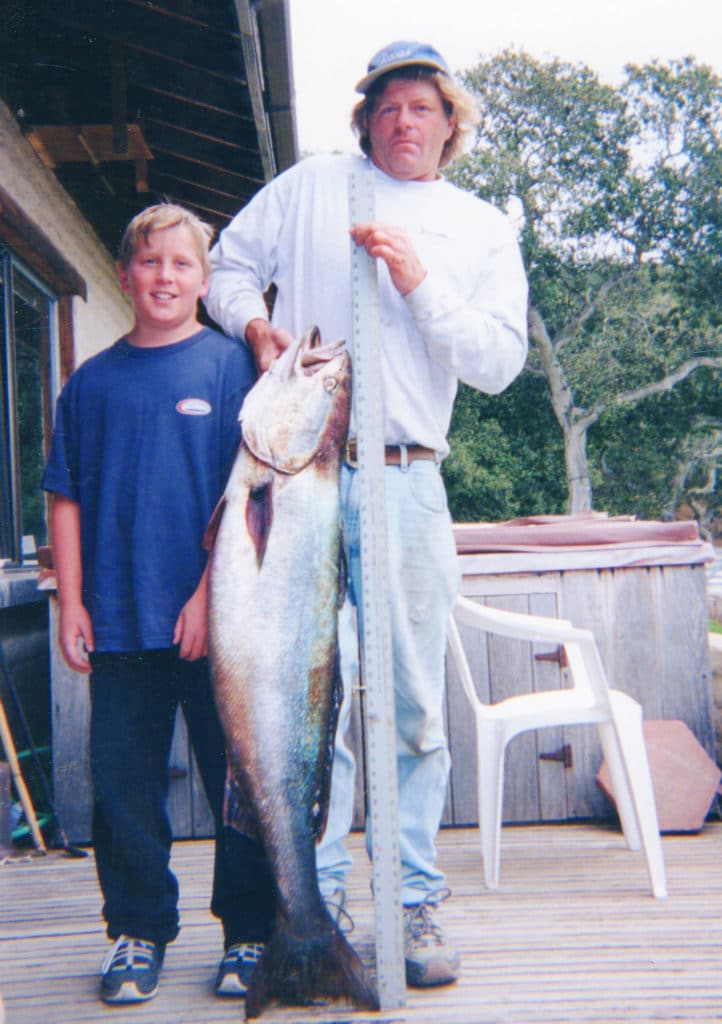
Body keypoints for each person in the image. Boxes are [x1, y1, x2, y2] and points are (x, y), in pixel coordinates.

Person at [205, 40, 528, 988]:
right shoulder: (312, 187)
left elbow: (499, 365)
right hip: (298, 471)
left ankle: (415, 900)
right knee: (310, 697)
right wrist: (252, 323)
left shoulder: (478, 227)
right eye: (387, 105)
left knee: (414, 702)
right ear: (365, 119)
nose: (403, 122)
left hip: (406, 477)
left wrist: (419, 284)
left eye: (423, 107)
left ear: (450, 123)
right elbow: (228, 269)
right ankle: (323, 896)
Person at [42, 203, 276, 1004]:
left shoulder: (227, 371)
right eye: (150, 263)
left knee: (235, 783)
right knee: (123, 788)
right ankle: (137, 932)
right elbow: (64, 499)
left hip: (219, 625)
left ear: (206, 283)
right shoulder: (91, 382)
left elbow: (247, 501)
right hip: (116, 622)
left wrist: (207, 598)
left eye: (182, 265)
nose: (165, 278)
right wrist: (71, 602)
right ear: (123, 275)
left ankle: (249, 933)